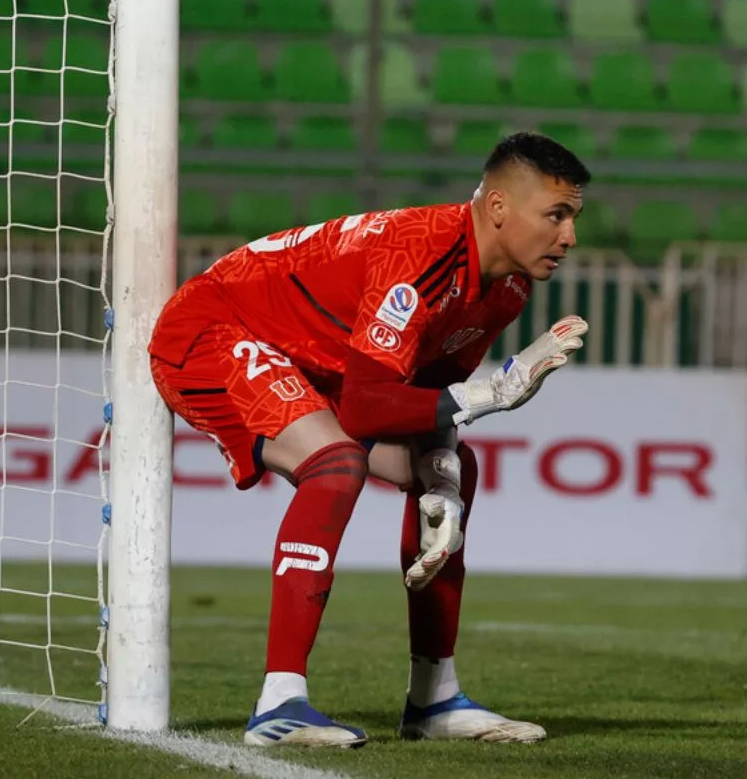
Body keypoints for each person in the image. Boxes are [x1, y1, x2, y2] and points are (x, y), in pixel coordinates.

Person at [147, 132, 591, 747]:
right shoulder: (421, 254)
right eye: (556, 215)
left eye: (572, 217)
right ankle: (279, 705)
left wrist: (441, 481)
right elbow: (364, 404)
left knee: (457, 467)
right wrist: (493, 394)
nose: (569, 236)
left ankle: (433, 699)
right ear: (497, 208)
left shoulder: (506, 287)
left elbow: (424, 397)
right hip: (213, 328)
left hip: (314, 363)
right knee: (335, 462)